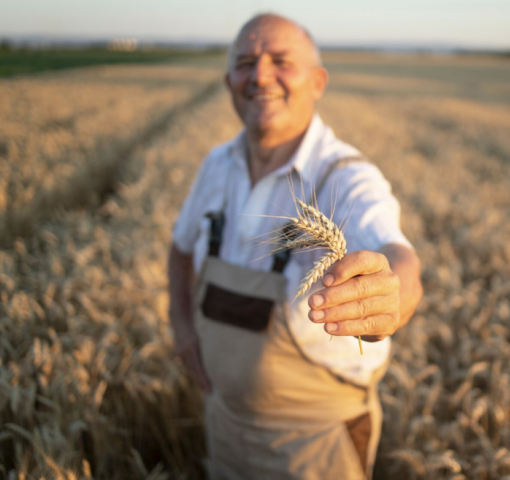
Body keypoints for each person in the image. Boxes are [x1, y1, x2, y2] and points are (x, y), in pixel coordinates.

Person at [168, 13, 423, 480]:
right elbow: (181, 246)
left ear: (317, 81)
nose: (260, 75)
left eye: (280, 61)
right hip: (222, 423)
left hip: (316, 444)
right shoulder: (217, 165)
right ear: (229, 81)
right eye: (246, 63)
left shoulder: (345, 177)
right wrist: (182, 323)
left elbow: (398, 257)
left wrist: (391, 295)